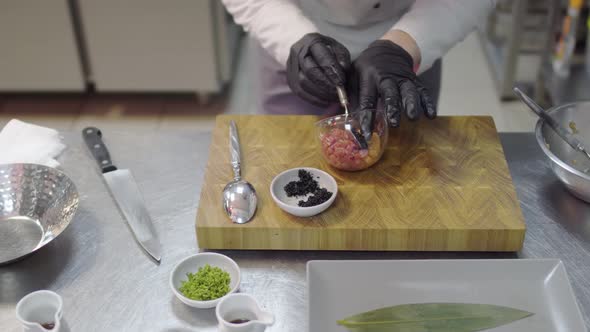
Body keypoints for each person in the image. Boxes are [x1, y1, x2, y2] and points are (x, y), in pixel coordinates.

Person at [221, 0, 495, 128]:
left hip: (407, 35)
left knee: (406, 172)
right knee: (290, 164)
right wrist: (292, 39)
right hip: (290, 25)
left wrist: (408, 43)